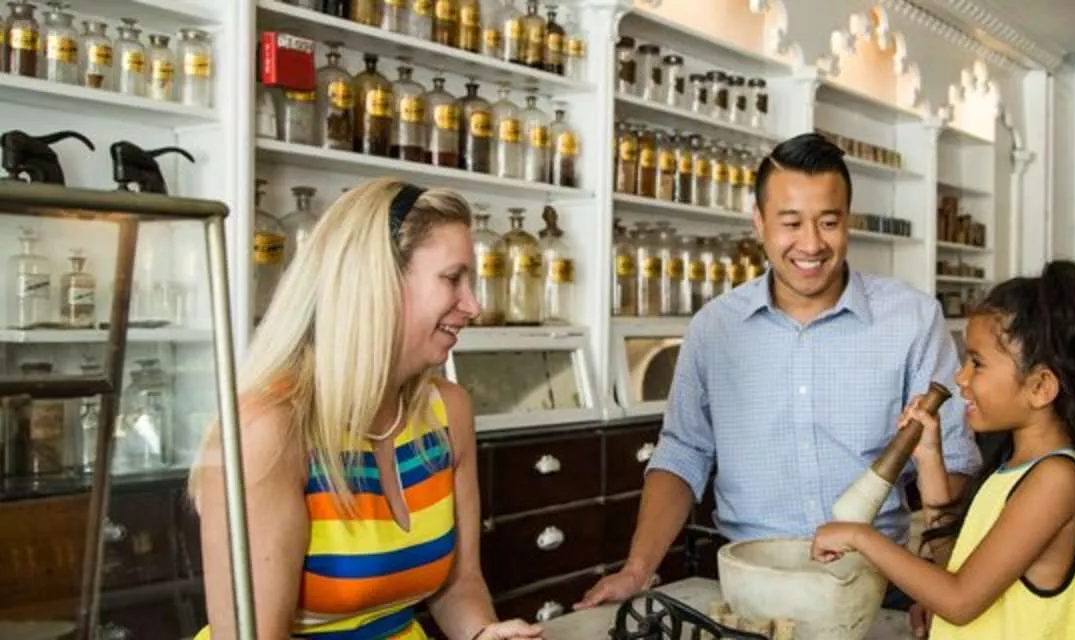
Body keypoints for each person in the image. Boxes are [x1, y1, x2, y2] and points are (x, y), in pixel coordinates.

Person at [577, 133, 981, 611]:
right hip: (748, 586)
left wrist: (934, 574)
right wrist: (637, 569)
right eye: (791, 223)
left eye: (828, 222)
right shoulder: (715, 328)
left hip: (878, 585)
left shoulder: (911, 318)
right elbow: (682, 454)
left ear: (848, 221)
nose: (811, 244)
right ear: (759, 222)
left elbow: (953, 459)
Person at [188, 179, 541, 640]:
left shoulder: (447, 411)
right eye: (452, 278)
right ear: (376, 282)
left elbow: (459, 583)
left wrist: (482, 634)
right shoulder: (267, 430)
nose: (473, 306)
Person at [811, 260, 1075, 639]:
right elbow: (954, 566)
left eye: (977, 363)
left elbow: (960, 601)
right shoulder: (1014, 469)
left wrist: (861, 537)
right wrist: (930, 460)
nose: (961, 377)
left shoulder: (1053, 480)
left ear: (1040, 387)